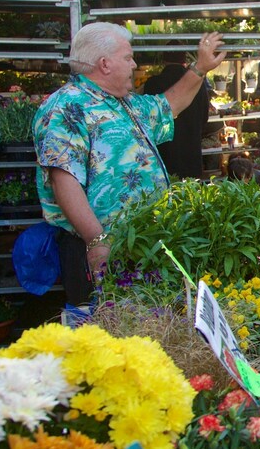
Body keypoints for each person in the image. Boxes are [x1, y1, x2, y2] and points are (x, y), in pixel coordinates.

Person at [34, 23, 226, 308]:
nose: (135, 64)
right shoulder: (66, 107)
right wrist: (96, 240)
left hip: (137, 245)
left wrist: (200, 68)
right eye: (128, 58)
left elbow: (169, 105)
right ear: (104, 64)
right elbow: (65, 179)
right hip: (99, 249)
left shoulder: (124, 104)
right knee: (108, 333)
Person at [141, 49, 211, 180]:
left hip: (164, 152)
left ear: (163, 59)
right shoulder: (198, 83)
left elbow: (148, 121)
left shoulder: (153, 83)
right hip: (191, 148)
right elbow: (204, 116)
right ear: (185, 58)